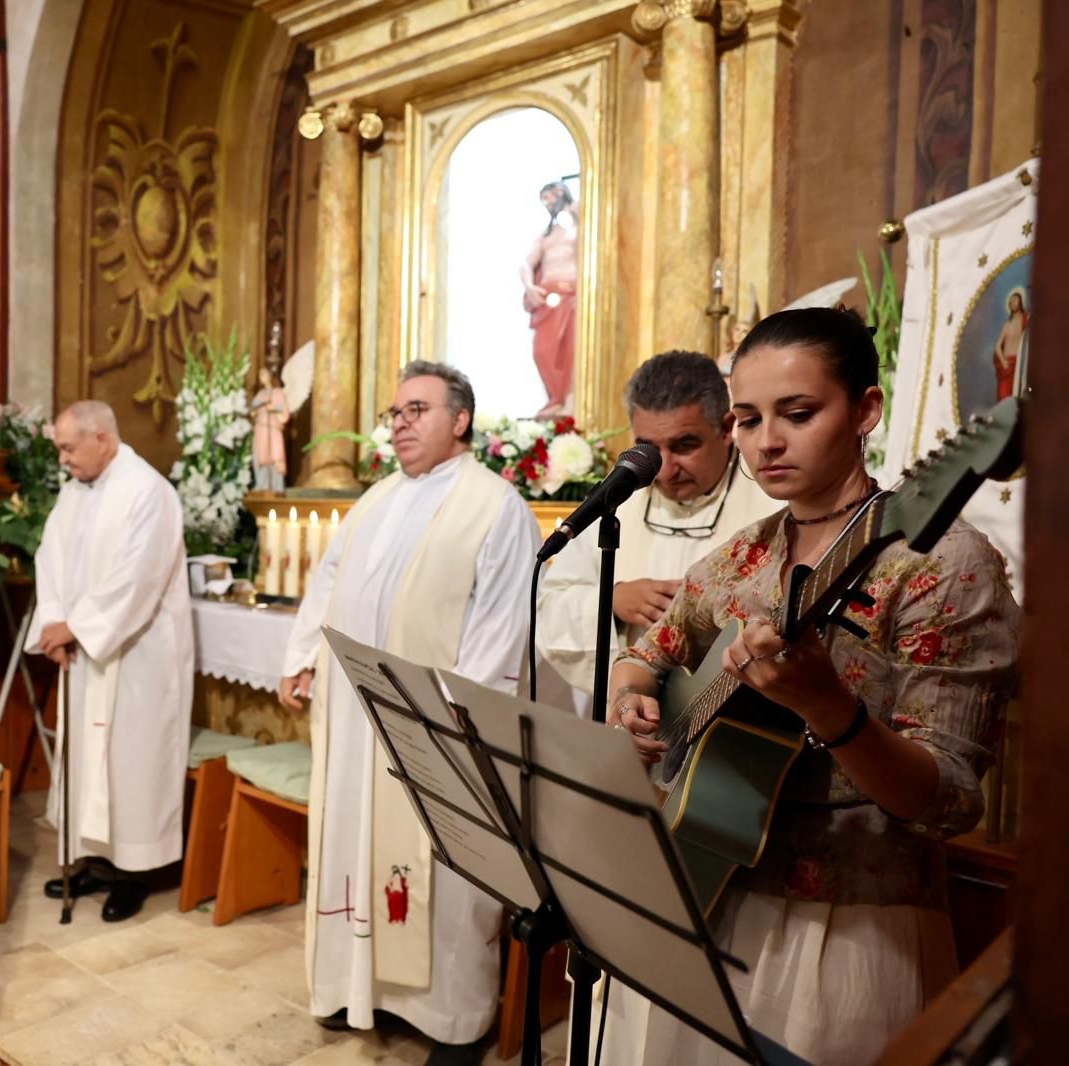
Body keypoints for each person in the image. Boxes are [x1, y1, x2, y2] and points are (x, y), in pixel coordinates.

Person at [605, 308, 1020, 1065]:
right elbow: (649, 650)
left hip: (846, 926)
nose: (766, 442)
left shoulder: (943, 564)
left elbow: (950, 800)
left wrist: (829, 709)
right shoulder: (743, 555)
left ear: (866, 410)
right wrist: (631, 696)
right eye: (748, 419)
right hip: (702, 883)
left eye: (797, 414)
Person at [278, 361, 540, 1064]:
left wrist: (456, 715)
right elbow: (328, 581)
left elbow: (502, 619)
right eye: (394, 413)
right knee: (354, 845)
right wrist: (301, 656)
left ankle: (454, 1020)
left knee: (445, 875)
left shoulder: (496, 506)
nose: (399, 424)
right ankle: (354, 987)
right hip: (356, 714)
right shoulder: (375, 498)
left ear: (460, 419)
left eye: (416, 410)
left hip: (438, 726)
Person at [26, 400, 193, 923]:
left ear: (101, 438)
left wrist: (75, 627)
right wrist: (55, 623)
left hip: (137, 654)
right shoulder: (74, 492)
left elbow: (137, 578)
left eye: (68, 448)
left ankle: (134, 874)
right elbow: (49, 559)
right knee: (88, 761)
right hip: (85, 652)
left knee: (130, 765)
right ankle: (96, 862)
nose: (63, 460)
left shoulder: (148, 491)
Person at [536, 351, 774, 715]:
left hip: (735, 722)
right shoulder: (619, 500)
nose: (664, 469)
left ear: (727, 428)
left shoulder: (770, 503)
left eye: (684, 446)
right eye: (649, 448)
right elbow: (550, 606)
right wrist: (612, 601)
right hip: (631, 716)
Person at [520, 181, 579, 417]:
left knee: (570, 349)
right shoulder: (545, 236)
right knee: (542, 351)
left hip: (571, 294)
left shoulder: (578, 228)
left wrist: (574, 211)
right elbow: (526, 264)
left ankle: (569, 399)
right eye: (543, 199)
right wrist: (530, 287)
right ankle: (555, 397)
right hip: (548, 297)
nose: (547, 203)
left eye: (550, 196)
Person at [251, 365, 291, 491]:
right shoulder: (260, 394)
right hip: (261, 428)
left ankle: (276, 487)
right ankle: (262, 486)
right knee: (262, 457)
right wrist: (258, 408)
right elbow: (254, 406)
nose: (261, 377)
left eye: (263, 374)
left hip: (273, 429)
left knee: (275, 456)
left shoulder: (278, 392)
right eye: (260, 375)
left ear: (270, 375)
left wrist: (273, 407)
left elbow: (284, 410)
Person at [992, 288, 1028, 400]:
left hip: (1020, 364)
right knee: (1004, 396)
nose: (1013, 302)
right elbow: (998, 346)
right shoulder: (1007, 325)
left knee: (1019, 394)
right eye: (1011, 301)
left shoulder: (1026, 319)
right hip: (1007, 366)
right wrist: (1003, 361)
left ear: (1021, 301)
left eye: (1015, 300)